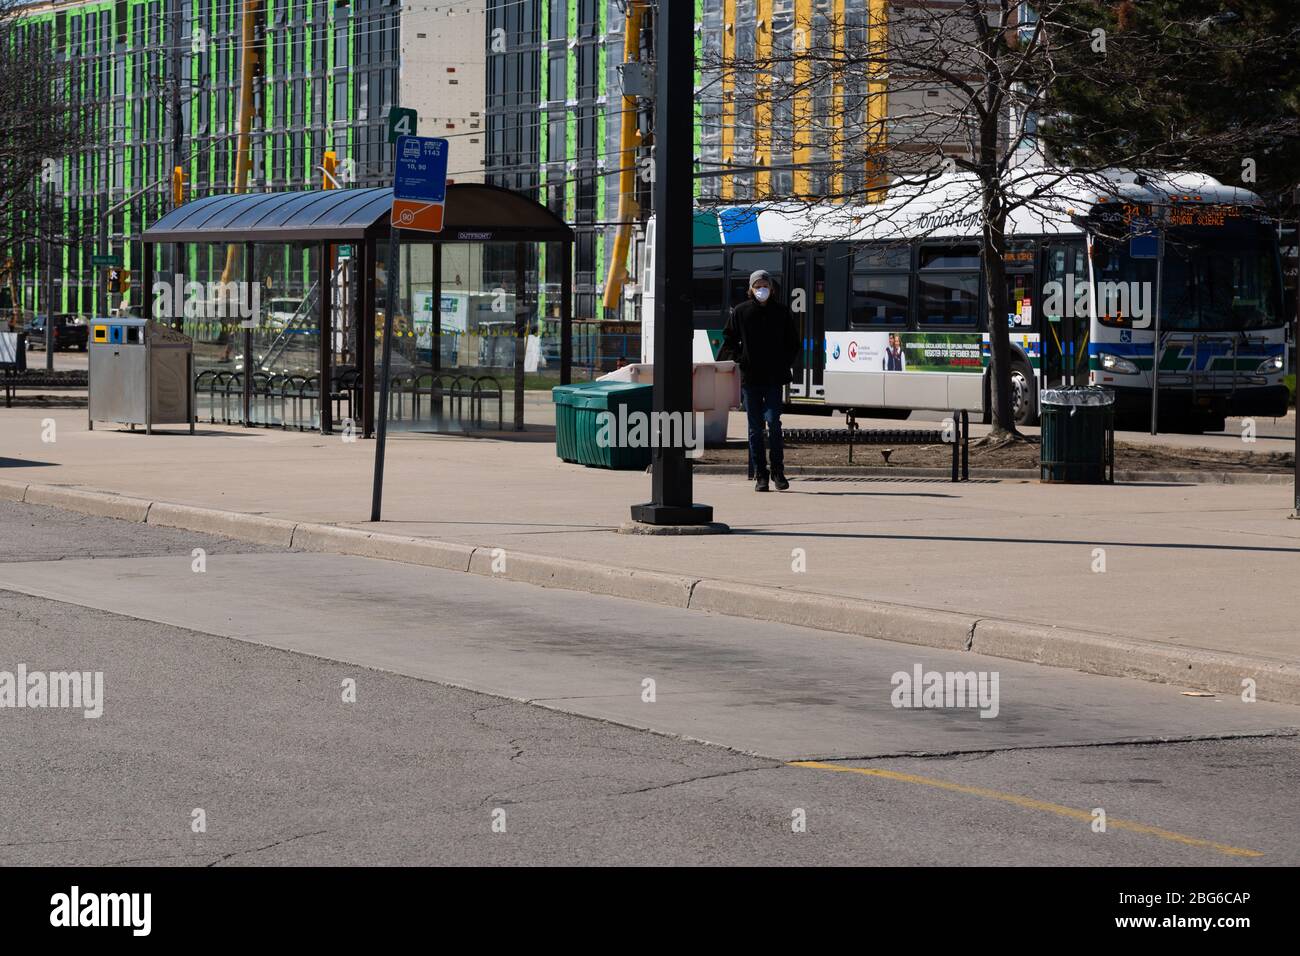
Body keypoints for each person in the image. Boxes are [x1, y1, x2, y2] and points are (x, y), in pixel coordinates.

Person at [719, 269, 800, 492]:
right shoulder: (741, 312)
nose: (761, 289)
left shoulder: (782, 312)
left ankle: (778, 471)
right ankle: (760, 475)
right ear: (751, 289)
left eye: (765, 285)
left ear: (771, 288)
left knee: (774, 423)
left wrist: (783, 362)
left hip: (774, 378)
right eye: (757, 286)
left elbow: (793, 343)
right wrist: (740, 359)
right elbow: (729, 340)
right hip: (751, 379)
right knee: (755, 429)